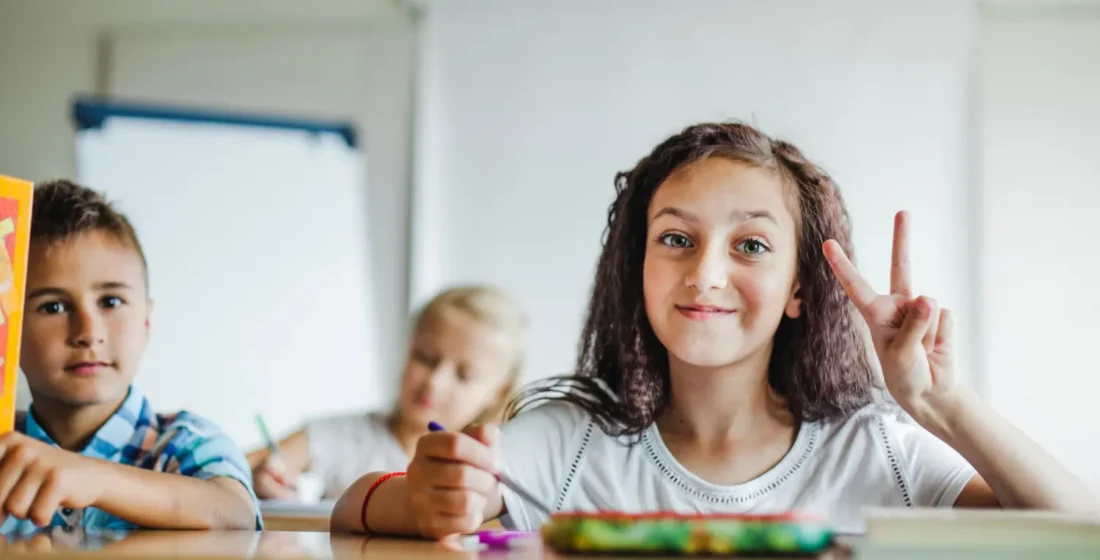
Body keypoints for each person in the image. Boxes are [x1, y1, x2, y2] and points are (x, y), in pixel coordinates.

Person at [332, 121, 1098, 537]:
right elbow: (350, 506)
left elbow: (1077, 535)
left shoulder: (878, 451)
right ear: (638, 268)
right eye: (675, 239)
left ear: (800, 289)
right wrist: (422, 497)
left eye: (752, 246)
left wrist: (943, 406)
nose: (704, 273)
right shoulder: (569, 439)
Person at [0, 179, 260, 532]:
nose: (88, 333)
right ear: (9, 330)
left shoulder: (185, 441)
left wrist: (92, 477)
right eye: (54, 306)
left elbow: (234, 514)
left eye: (111, 302)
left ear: (146, 322)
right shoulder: (5, 453)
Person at [248, 285, 527, 500]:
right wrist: (261, 477)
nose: (435, 381)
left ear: (498, 393)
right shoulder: (345, 437)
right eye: (425, 357)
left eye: (464, 375)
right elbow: (231, 468)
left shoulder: (500, 472)